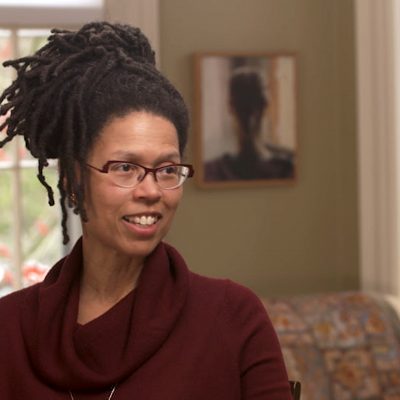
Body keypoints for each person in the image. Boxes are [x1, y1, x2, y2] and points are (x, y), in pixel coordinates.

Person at [0, 22, 291, 399]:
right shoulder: (9, 330)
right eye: (125, 168)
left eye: (168, 170)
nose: (151, 190)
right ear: (73, 179)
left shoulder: (233, 317)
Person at [204, 67, 294, 182]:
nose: (250, 114)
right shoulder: (286, 166)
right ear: (265, 105)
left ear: (231, 107)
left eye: (252, 104)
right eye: (243, 105)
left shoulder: (286, 166)